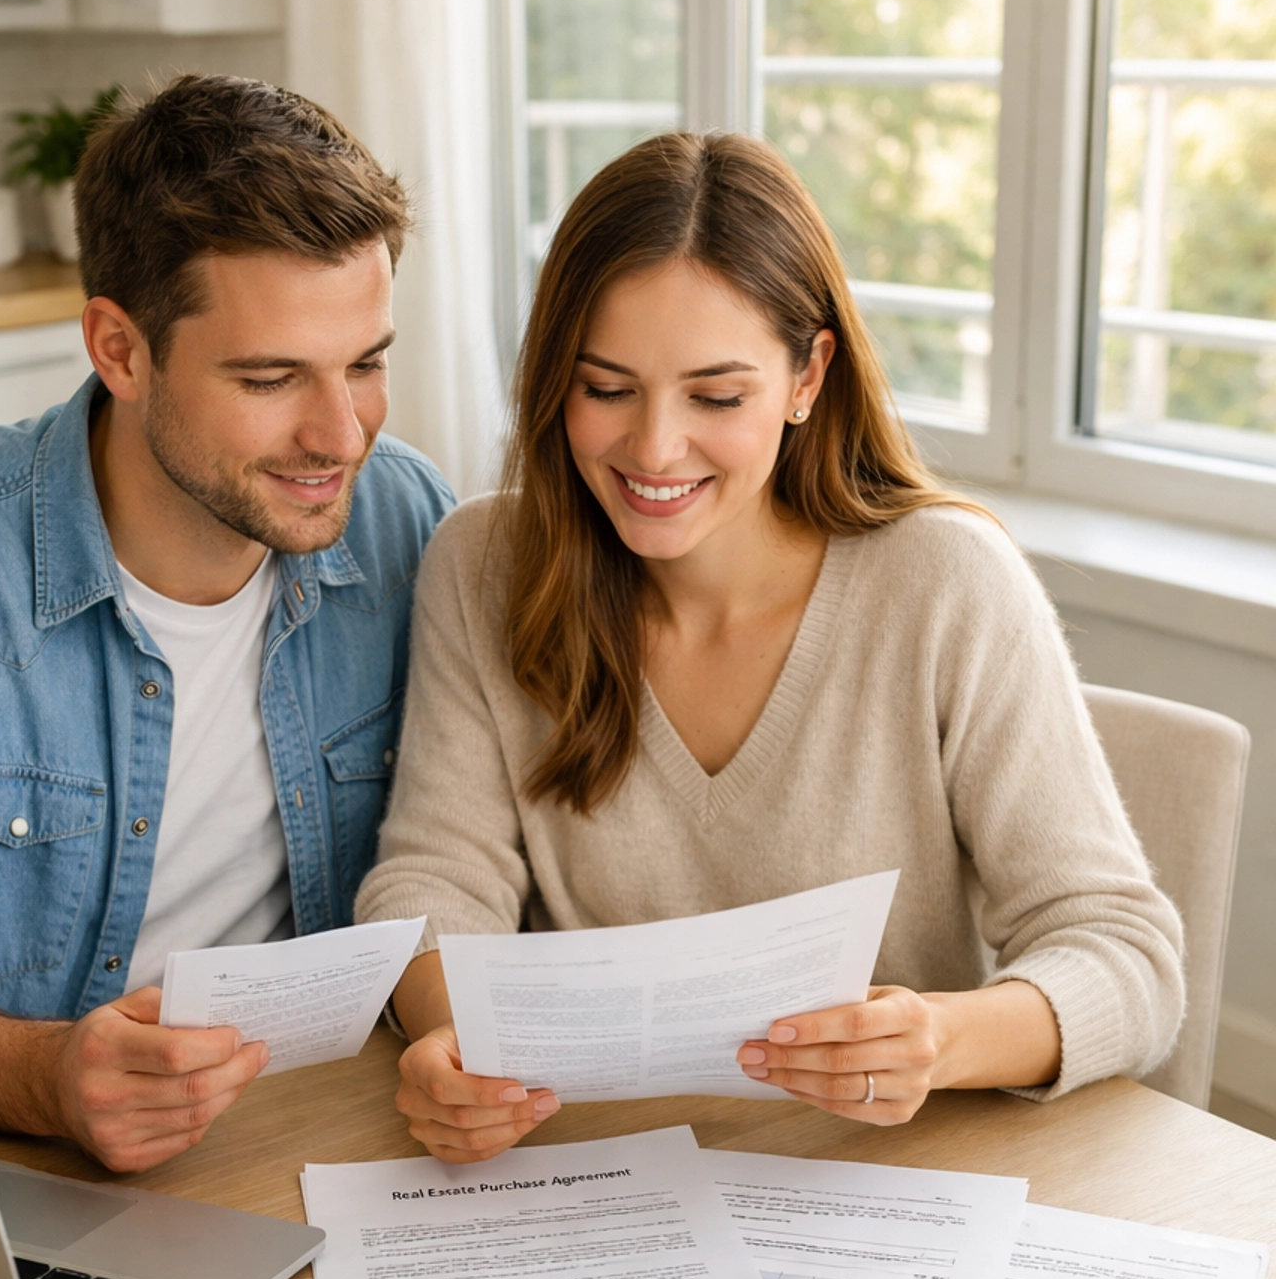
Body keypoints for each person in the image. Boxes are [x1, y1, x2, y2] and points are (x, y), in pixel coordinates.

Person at [354, 131, 1184, 1165]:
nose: (654, 448)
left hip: (885, 1175)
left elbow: (1126, 955)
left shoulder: (944, 582)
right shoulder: (483, 565)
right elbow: (433, 882)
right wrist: (449, 1037)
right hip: (601, 1179)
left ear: (807, 377)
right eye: (605, 387)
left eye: (716, 396)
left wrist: (939, 1039)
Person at [0, 75, 454, 1171]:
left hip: (320, 1139)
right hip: (6, 1176)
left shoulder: (410, 524)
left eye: (365, 364)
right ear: (118, 349)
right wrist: (42, 1076)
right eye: (271, 378)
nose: (341, 433)